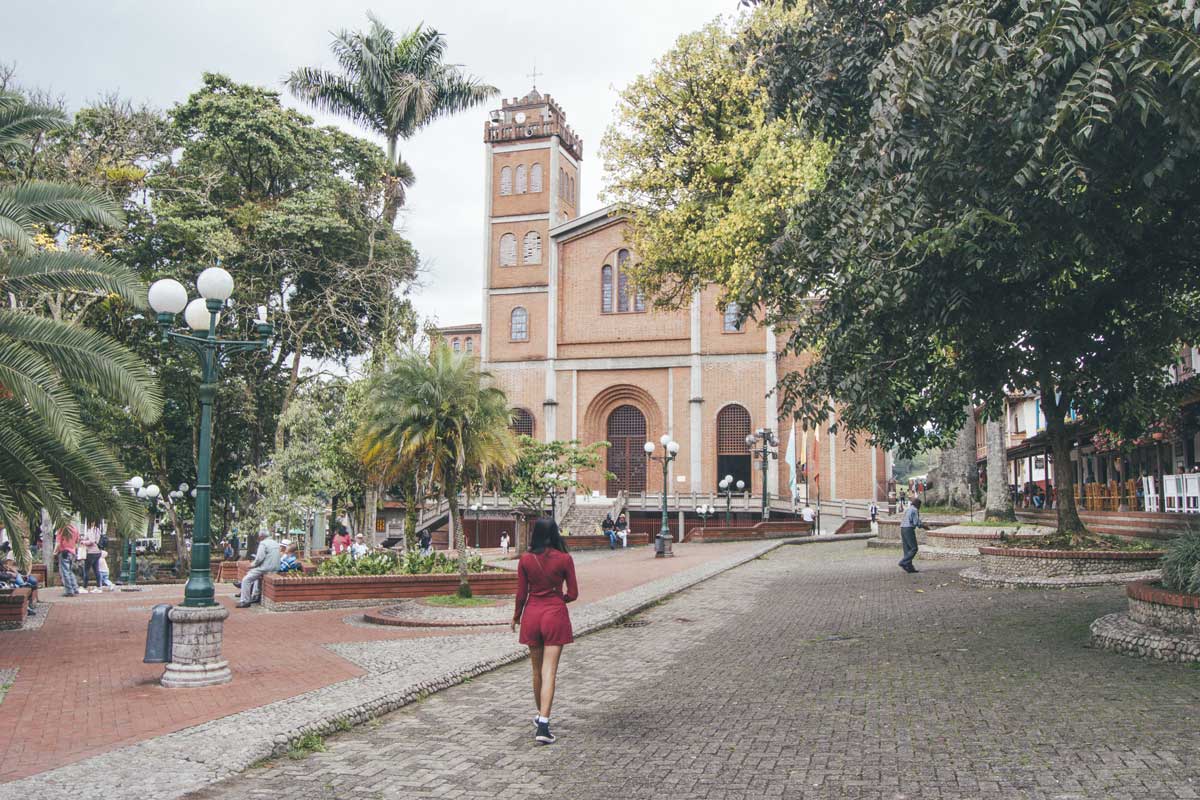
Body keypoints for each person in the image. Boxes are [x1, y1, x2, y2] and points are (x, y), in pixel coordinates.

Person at [511, 518, 578, 745]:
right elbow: (574, 593)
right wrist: (561, 599)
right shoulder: (565, 559)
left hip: (531, 614)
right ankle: (544, 724)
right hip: (554, 614)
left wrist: (516, 616)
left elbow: (521, 594)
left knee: (536, 671)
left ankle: (541, 715)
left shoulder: (525, 560)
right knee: (550, 671)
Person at [235, 530, 281, 608]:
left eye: (259, 537)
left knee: (246, 580)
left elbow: (259, 559)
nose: (259, 538)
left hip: (266, 568)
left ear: (261, 536)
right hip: (276, 568)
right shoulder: (275, 543)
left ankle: (245, 601)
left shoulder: (263, 543)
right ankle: (255, 595)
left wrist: (251, 565)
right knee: (255, 576)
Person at [898, 497, 930, 574]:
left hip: (902, 528)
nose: (920, 507)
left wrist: (921, 523)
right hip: (909, 529)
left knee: (907, 549)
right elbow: (916, 522)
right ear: (918, 505)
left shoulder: (909, 509)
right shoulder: (915, 510)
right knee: (914, 548)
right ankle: (903, 562)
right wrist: (924, 526)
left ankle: (909, 567)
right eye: (920, 505)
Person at [54, 521, 80, 597]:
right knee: (70, 571)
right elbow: (77, 541)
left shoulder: (62, 529)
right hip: (73, 552)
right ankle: (75, 588)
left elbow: (58, 543)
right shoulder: (75, 529)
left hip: (64, 552)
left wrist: (54, 552)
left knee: (64, 572)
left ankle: (69, 590)